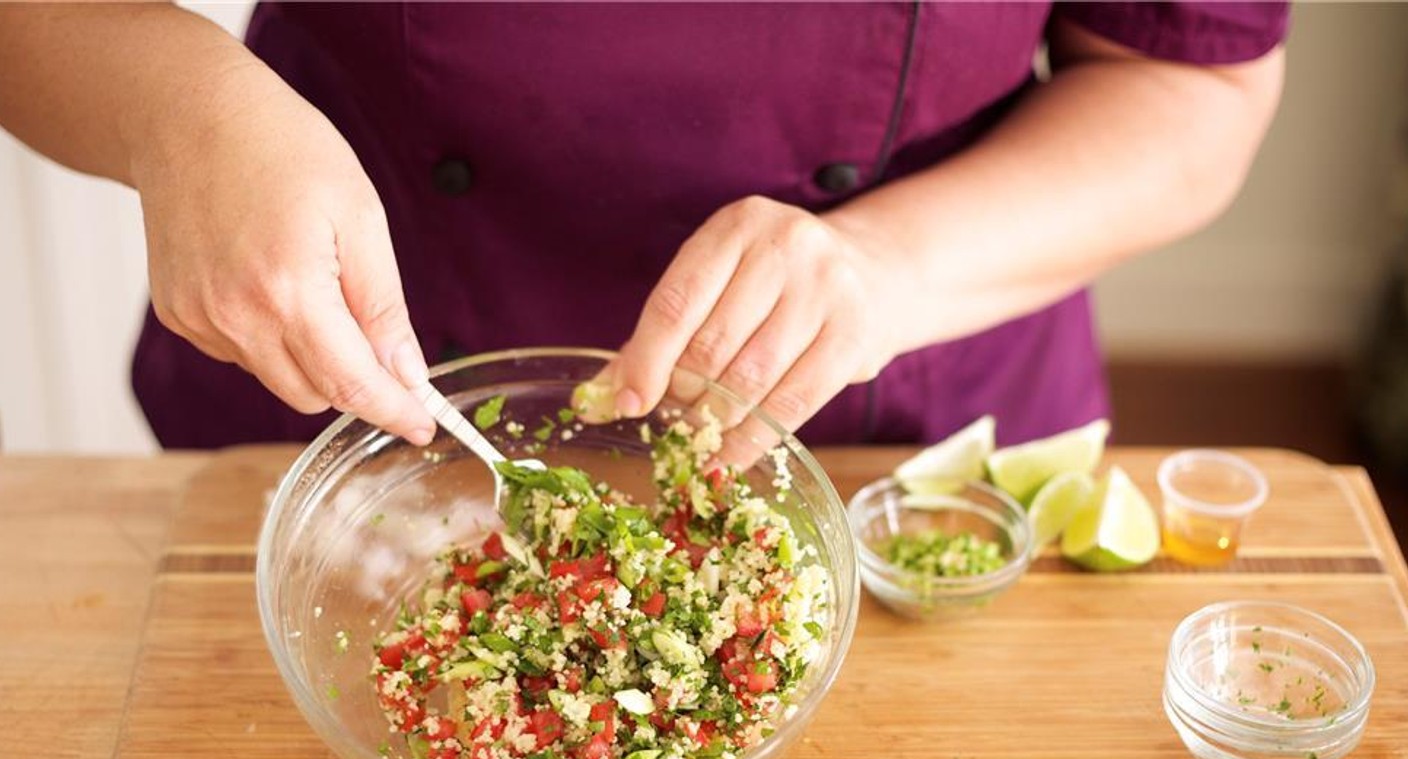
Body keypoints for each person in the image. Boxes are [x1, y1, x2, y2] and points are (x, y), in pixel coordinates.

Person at [0, 2, 1288, 451]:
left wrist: (893, 265)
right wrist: (182, 115)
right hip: (348, 392)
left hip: (894, 442)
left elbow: (1196, 82)